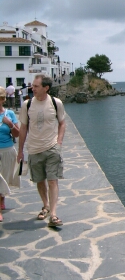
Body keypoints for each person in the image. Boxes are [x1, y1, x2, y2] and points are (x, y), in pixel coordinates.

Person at [17, 74, 66, 227]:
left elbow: (62, 123)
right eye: (33, 85)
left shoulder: (55, 103)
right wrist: (20, 150)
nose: (33, 88)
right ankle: (45, 205)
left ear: (46, 88)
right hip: (34, 149)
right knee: (40, 181)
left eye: (36, 86)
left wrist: (58, 143)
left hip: (52, 148)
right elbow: (23, 127)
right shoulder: (27, 104)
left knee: (53, 180)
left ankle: (53, 214)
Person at [0, 87, 20, 222]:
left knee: (4, 178)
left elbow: (17, 134)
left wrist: (10, 124)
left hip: (7, 150)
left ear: (2, 100)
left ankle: (1, 200)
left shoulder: (9, 114)